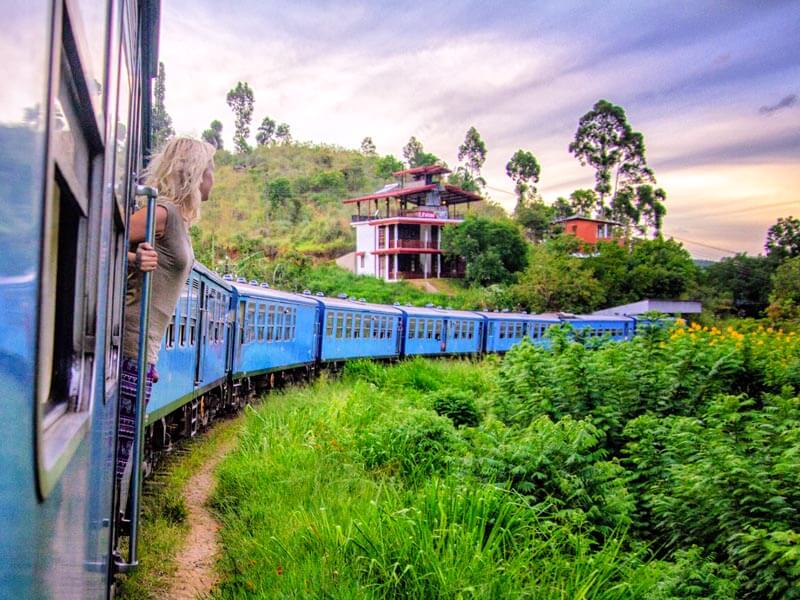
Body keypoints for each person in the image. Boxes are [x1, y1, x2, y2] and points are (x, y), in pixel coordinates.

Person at [116, 137, 216, 501]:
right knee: (119, 447)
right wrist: (132, 260)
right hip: (132, 341)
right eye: (210, 171)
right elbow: (102, 237)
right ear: (194, 173)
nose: (212, 180)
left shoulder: (177, 221)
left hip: (146, 346)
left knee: (124, 443)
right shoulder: (164, 213)